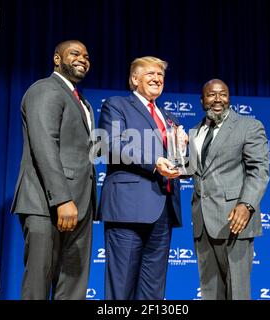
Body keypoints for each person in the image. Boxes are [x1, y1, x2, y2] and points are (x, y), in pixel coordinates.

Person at [10, 40, 96, 300]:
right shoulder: (45, 89)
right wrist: (62, 198)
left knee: (73, 287)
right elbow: (44, 144)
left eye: (86, 55)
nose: (82, 58)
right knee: (38, 285)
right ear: (57, 59)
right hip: (47, 204)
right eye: (74, 53)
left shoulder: (83, 102)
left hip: (79, 205)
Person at [97, 56, 182, 300]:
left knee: (153, 292)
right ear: (134, 79)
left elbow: (175, 159)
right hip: (127, 209)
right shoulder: (117, 105)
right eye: (150, 74)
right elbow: (110, 144)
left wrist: (182, 148)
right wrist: (154, 162)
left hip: (163, 211)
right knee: (121, 288)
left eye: (160, 76)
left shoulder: (169, 118)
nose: (157, 79)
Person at [189, 79, 270, 300]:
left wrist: (247, 205)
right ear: (202, 100)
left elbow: (259, 170)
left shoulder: (249, 126)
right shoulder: (194, 131)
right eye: (211, 95)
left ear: (229, 98)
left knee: (238, 293)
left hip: (235, 220)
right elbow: (194, 171)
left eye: (222, 94)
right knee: (210, 293)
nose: (217, 100)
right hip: (203, 224)